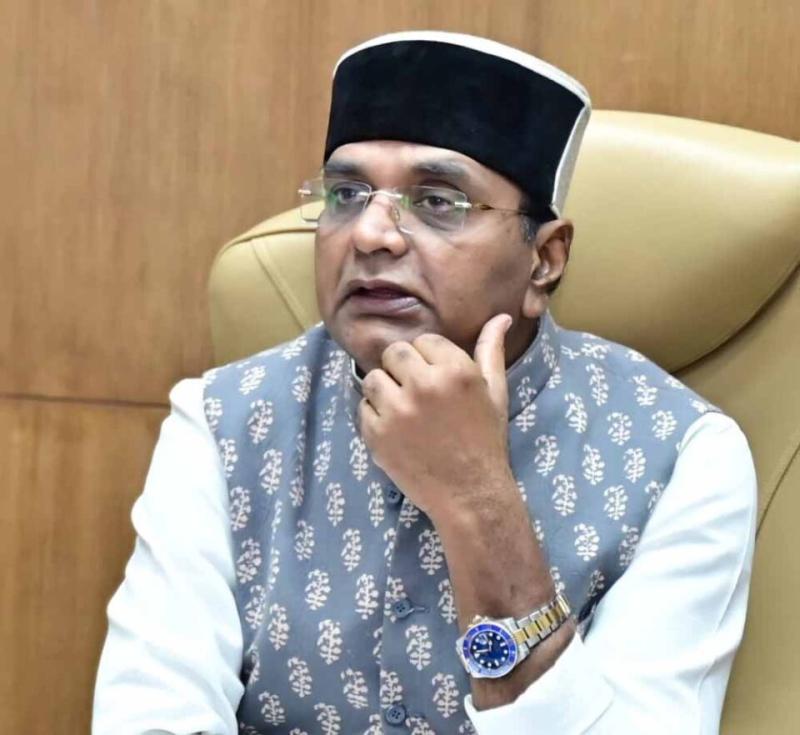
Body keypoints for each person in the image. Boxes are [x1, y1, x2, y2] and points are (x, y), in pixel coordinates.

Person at [93, 31, 756, 735]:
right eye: (346, 194)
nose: (370, 234)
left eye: (439, 201)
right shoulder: (224, 423)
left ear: (545, 260)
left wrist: (478, 501)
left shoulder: (683, 455)